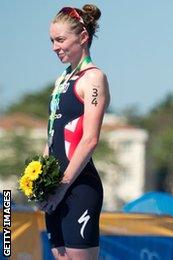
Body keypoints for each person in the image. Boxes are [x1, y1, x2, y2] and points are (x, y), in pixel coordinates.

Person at [40, 4, 109, 260]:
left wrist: (61, 188)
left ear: (83, 37)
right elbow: (51, 136)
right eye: (52, 40)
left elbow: (89, 139)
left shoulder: (93, 79)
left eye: (60, 40)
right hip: (56, 189)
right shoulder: (61, 80)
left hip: (78, 188)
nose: (54, 47)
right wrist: (40, 181)